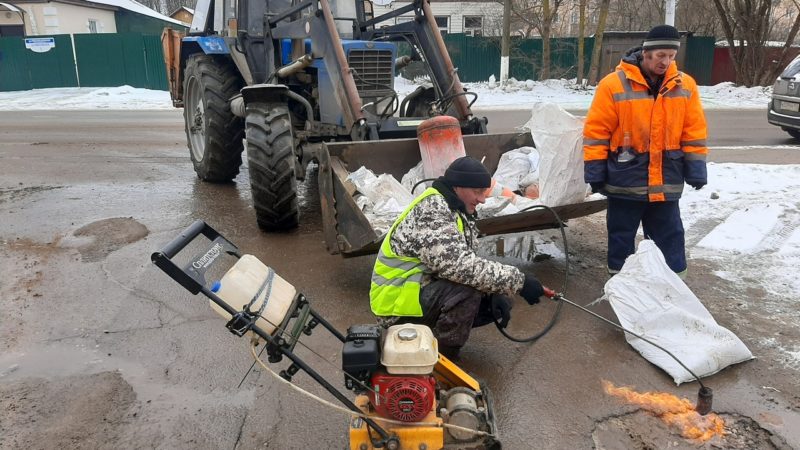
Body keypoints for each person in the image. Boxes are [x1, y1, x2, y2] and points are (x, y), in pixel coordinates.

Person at [369, 156, 545, 359]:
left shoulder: (453, 207)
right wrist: (519, 281)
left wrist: (492, 293)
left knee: (493, 293)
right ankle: (443, 360)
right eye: (477, 192)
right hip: (395, 306)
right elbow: (460, 267)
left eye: (484, 192)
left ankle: (433, 339)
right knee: (467, 291)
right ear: (458, 187)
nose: (482, 199)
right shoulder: (432, 210)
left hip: (417, 290)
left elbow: (462, 262)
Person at [583, 24, 708, 278]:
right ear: (646, 52)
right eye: (661, 55)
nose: (666, 61)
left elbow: (693, 130)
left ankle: (673, 290)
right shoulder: (613, 85)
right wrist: (594, 170)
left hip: (666, 180)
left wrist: (696, 167)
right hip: (625, 180)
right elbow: (597, 132)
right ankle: (623, 290)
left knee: (671, 239)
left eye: (671, 56)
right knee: (621, 239)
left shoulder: (686, 85)